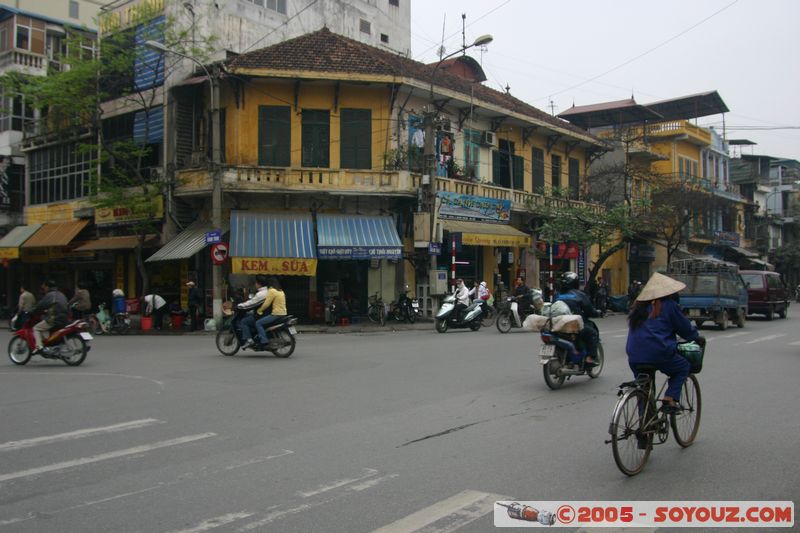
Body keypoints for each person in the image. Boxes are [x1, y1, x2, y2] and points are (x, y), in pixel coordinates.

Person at [626, 272, 705, 414]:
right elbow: (686, 330)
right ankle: (670, 398)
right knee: (682, 367)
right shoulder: (668, 305)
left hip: (634, 355)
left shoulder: (637, 306)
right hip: (659, 353)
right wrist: (695, 336)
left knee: (645, 388)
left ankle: (645, 426)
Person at [556, 272, 601, 366]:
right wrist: (597, 313)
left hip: (558, 325)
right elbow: (589, 310)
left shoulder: (557, 295)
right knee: (592, 333)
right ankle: (589, 358)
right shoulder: (579, 295)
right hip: (574, 325)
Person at [31, 280, 69, 353]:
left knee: (36, 328)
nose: (44, 290)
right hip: (64, 318)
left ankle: (39, 347)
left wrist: (32, 312)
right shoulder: (61, 294)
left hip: (54, 318)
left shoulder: (50, 295)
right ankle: (51, 347)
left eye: (44, 288)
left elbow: (40, 306)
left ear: (47, 287)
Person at [253, 277, 288, 347]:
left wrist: (259, 310)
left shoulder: (272, 291)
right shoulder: (281, 291)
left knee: (258, 323)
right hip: (283, 313)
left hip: (276, 314)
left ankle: (264, 341)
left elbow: (266, 304)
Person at [237, 274, 270, 347]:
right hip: (267, 313)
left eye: (256, 283)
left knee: (244, 321)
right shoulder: (268, 291)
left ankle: (249, 340)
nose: (255, 284)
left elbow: (252, 303)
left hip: (262, 314)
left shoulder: (261, 294)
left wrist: (241, 305)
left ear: (259, 284)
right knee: (249, 316)